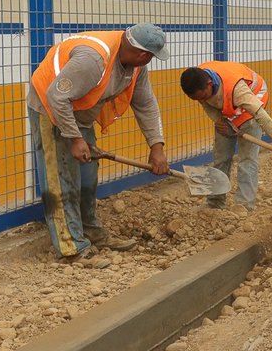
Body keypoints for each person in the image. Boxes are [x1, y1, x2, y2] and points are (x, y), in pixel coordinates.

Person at [28, 23, 170, 261]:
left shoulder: (135, 67)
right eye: (151, 57)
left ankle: (91, 232)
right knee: (61, 178)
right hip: (50, 107)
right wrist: (75, 139)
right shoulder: (93, 60)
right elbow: (56, 96)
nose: (150, 61)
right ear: (143, 54)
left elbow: (145, 103)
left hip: (79, 110)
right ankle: (72, 248)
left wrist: (157, 146)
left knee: (87, 173)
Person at [180, 61, 272, 210]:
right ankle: (215, 203)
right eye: (197, 99)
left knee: (247, 160)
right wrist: (219, 121)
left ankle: (244, 206)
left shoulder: (237, 89)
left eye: (203, 96)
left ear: (209, 83)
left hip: (253, 108)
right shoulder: (196, 80)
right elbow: (207, 105)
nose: (201, 100)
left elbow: (261, 116)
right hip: (229, 111)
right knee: (221, 158)